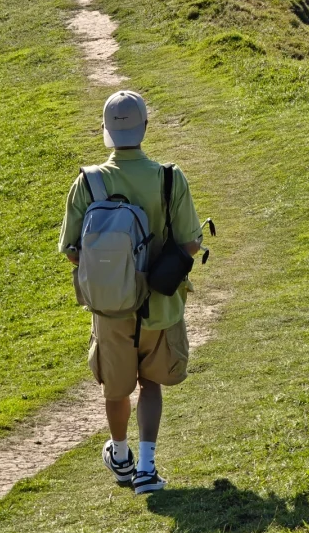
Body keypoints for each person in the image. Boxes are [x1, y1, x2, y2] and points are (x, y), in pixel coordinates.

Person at [59, 90, 202, 494]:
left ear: (105, 129)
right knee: (150, 384)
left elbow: (72, 251)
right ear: (145, 127)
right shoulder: (170, 178)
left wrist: (113, 273)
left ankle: (121, 459)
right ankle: (148, 469)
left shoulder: (88, 183)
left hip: (111, 309)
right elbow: (191, 242)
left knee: (116, 388)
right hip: (160, 305)